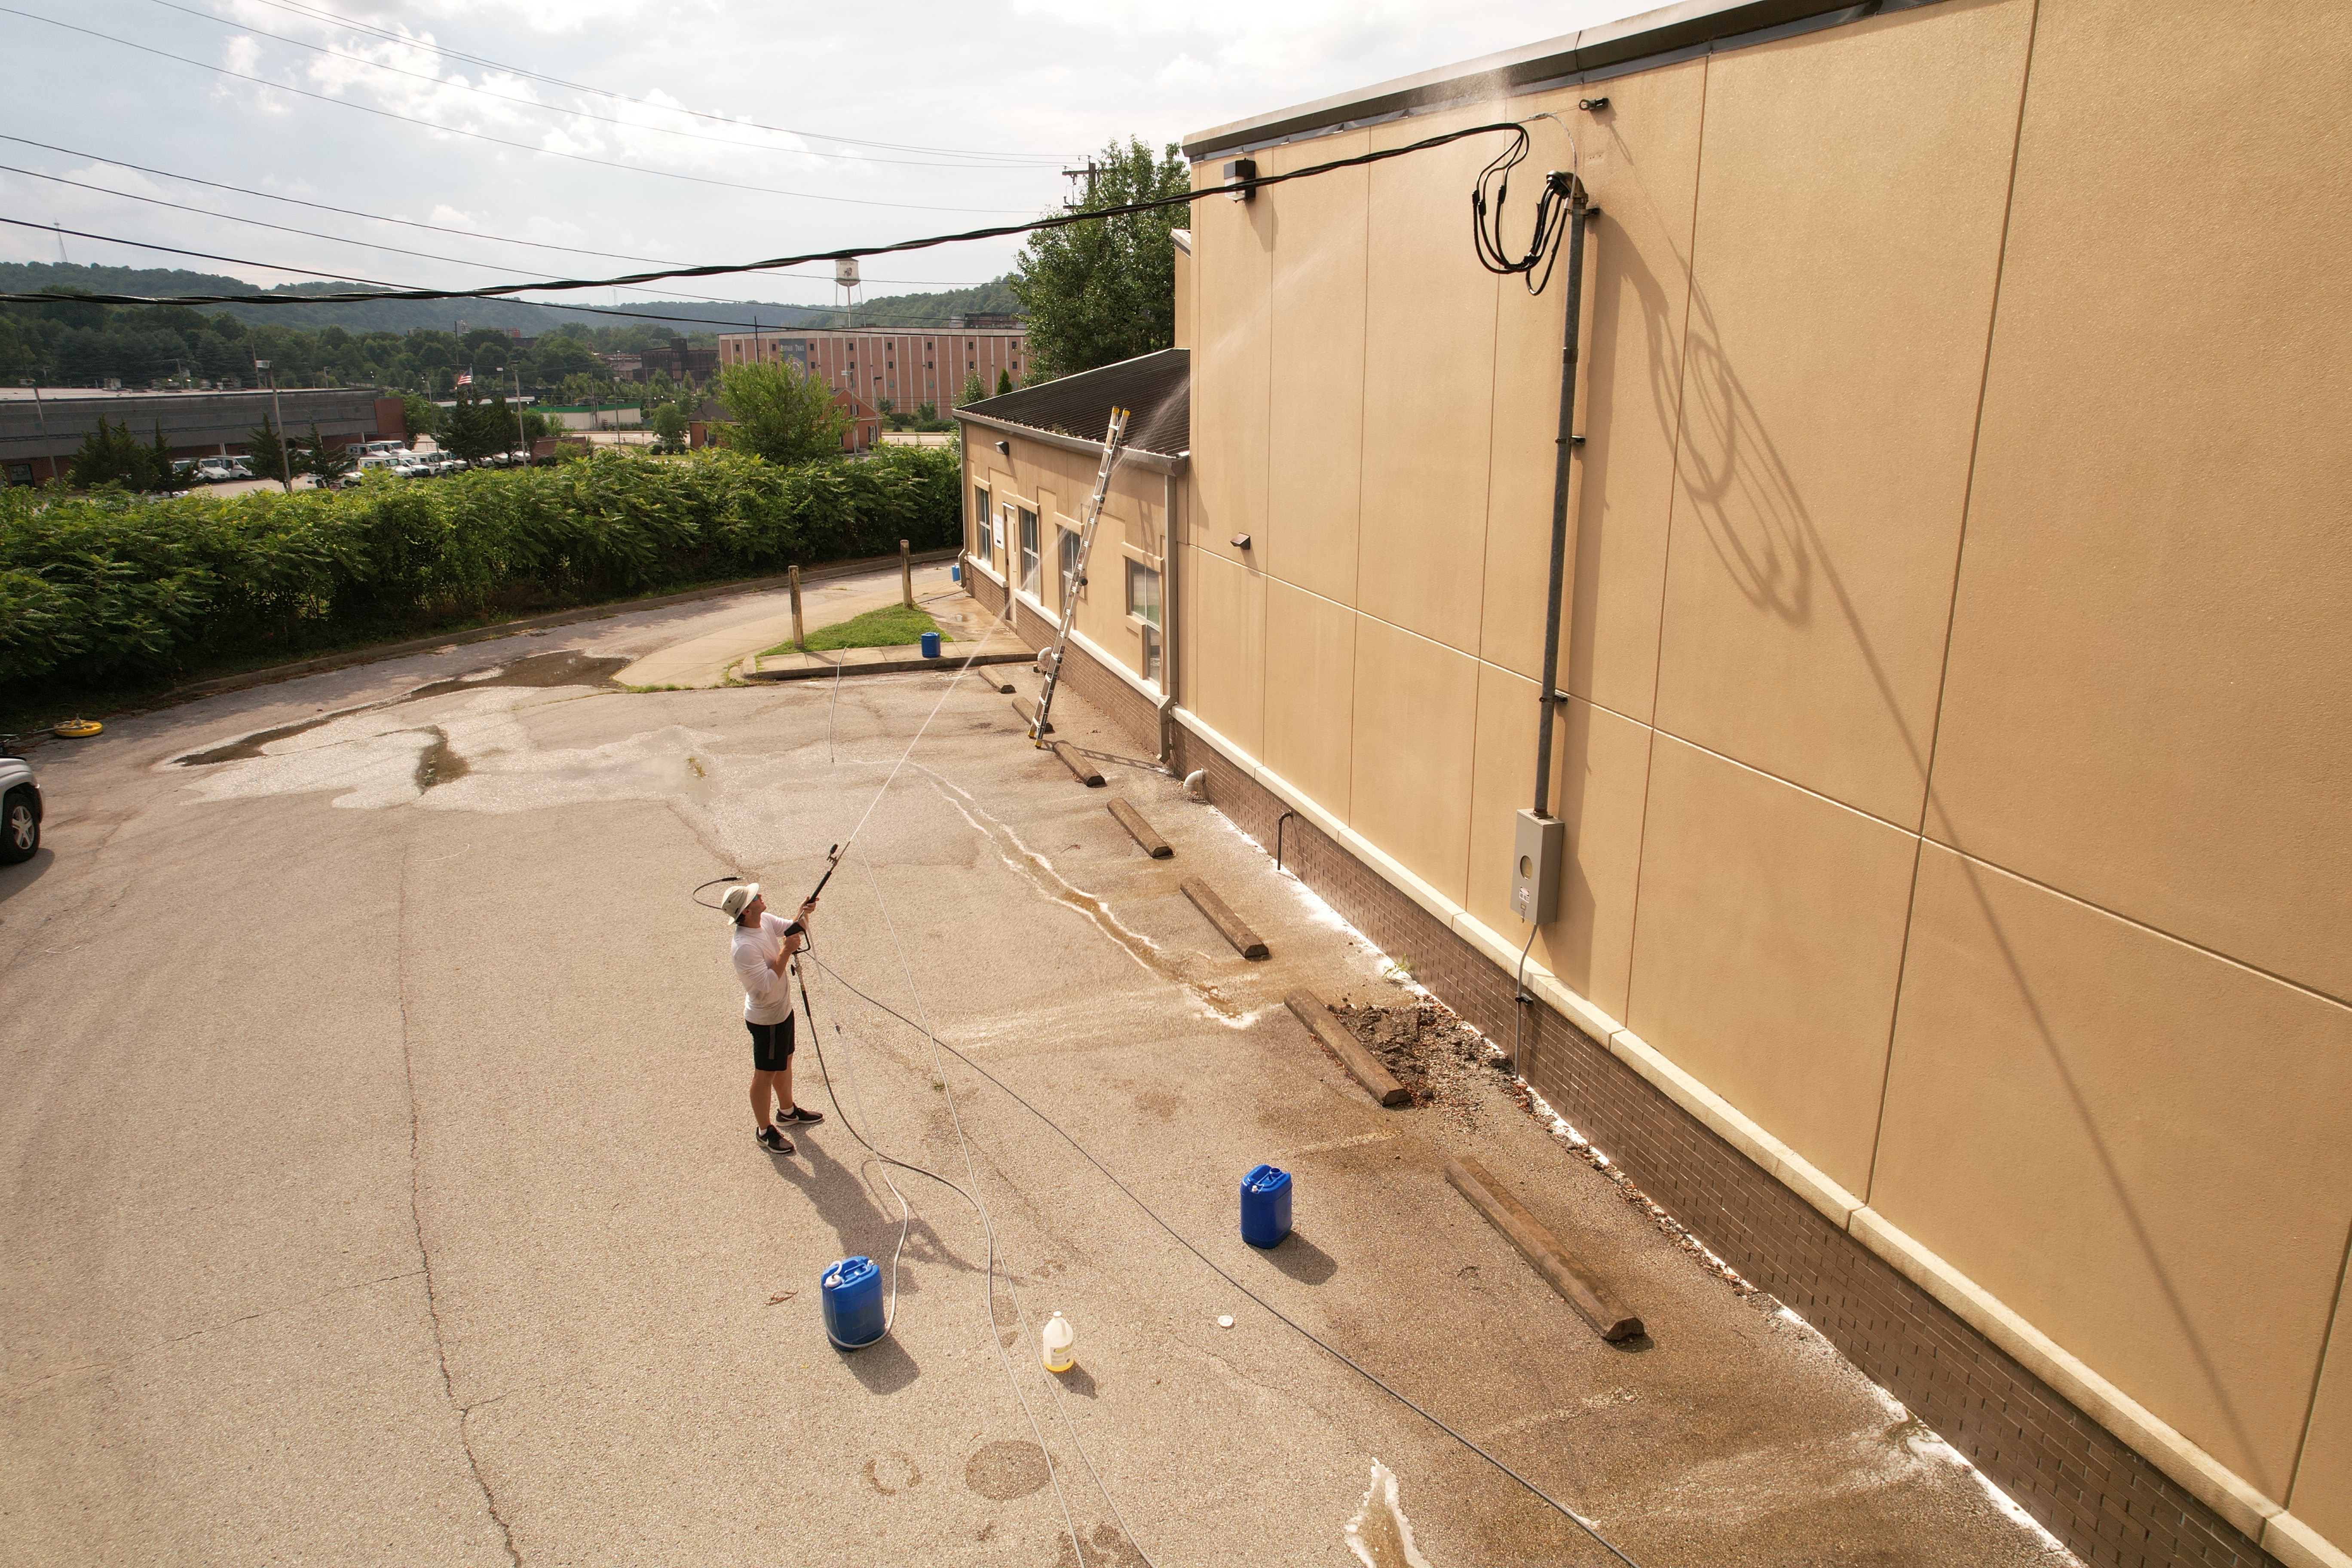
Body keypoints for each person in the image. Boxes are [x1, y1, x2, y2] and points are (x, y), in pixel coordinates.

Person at [721, 882, 825, 1155]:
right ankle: (764, 1131)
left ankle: (788, 1112)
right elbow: (767, 983)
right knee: (765, 1073)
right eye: (755, 897)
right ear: (745, 911)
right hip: (765, 1019)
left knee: (786, 1060)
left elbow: (791, 929)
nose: (760, 896)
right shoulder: (743, 947)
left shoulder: (764, 920)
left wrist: (804, 913)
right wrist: (787, 950)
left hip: (783, 1011)